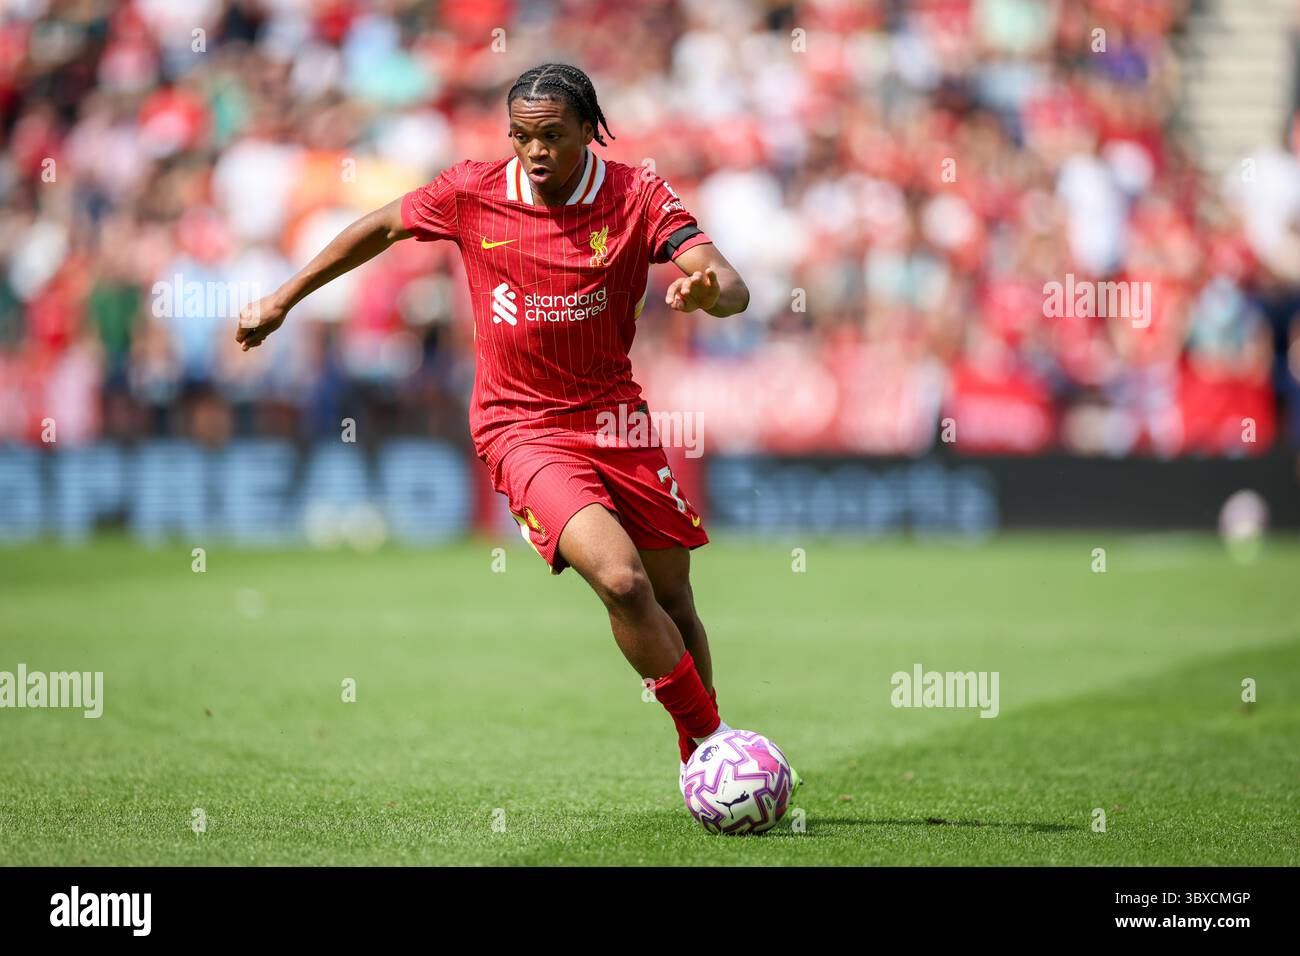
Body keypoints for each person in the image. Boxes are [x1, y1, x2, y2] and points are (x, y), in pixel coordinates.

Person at [236, 62, 799, 803]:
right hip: (521, 426)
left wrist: (706, 293)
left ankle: (701, 753)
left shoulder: (637, 195)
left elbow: (731, 282)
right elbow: (379, 225)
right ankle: (720, 751)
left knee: (673, 598)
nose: (535, 151)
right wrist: (283, 299)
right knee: (623, 581)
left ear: (589, 133)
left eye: (553, 136)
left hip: (615, 419)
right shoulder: (474, 190)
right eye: (522, 136)